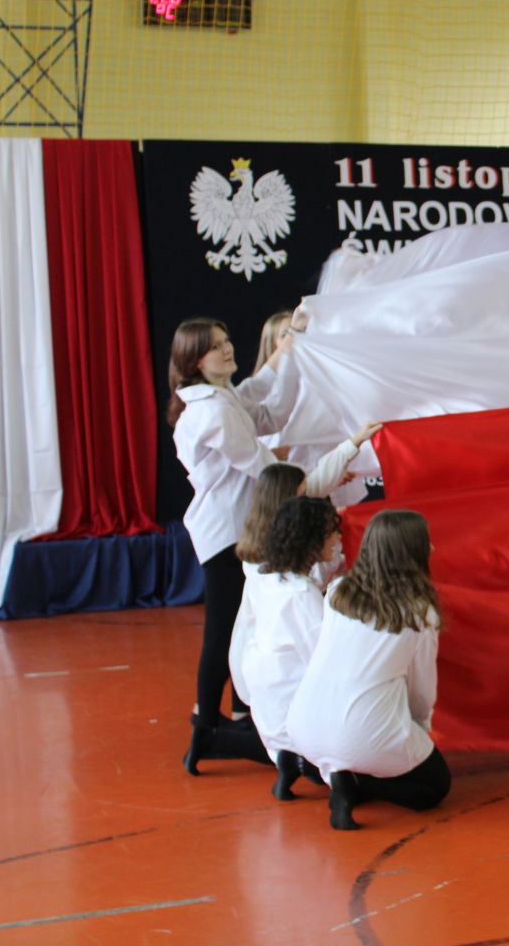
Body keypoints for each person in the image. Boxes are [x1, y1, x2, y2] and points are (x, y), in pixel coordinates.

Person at [168, 316, 379, 774]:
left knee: (242, 624)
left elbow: (260, 398)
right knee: (224, 629)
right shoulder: (213, 409)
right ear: (194, 360)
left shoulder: (221, 397)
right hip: (227, 531)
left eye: (226, 340)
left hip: (237, 526)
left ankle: (236, 718)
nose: (227, 349)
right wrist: (331, 461)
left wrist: (287, 347)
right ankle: (207, 725)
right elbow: (267, 470)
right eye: (216, 346)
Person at [288, 510, 452, 831]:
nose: (432, 548)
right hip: (362, 732)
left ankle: (340, 776)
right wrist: (420, 729)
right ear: (411, 553)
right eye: (426, 543)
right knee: (434, 787)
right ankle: (356, 783)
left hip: (303, 724)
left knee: (361, 748)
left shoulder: (338, 590)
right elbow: (421, 689)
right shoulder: (420, 613)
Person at [242, 496, 340, 800]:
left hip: (270, 708)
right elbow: (326, 663)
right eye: (331, 533)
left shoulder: (267, 577)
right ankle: (303, 762)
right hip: (295, 717)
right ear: (311, 540)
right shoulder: (301, 595)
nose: (337, 538)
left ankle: (295, 760)